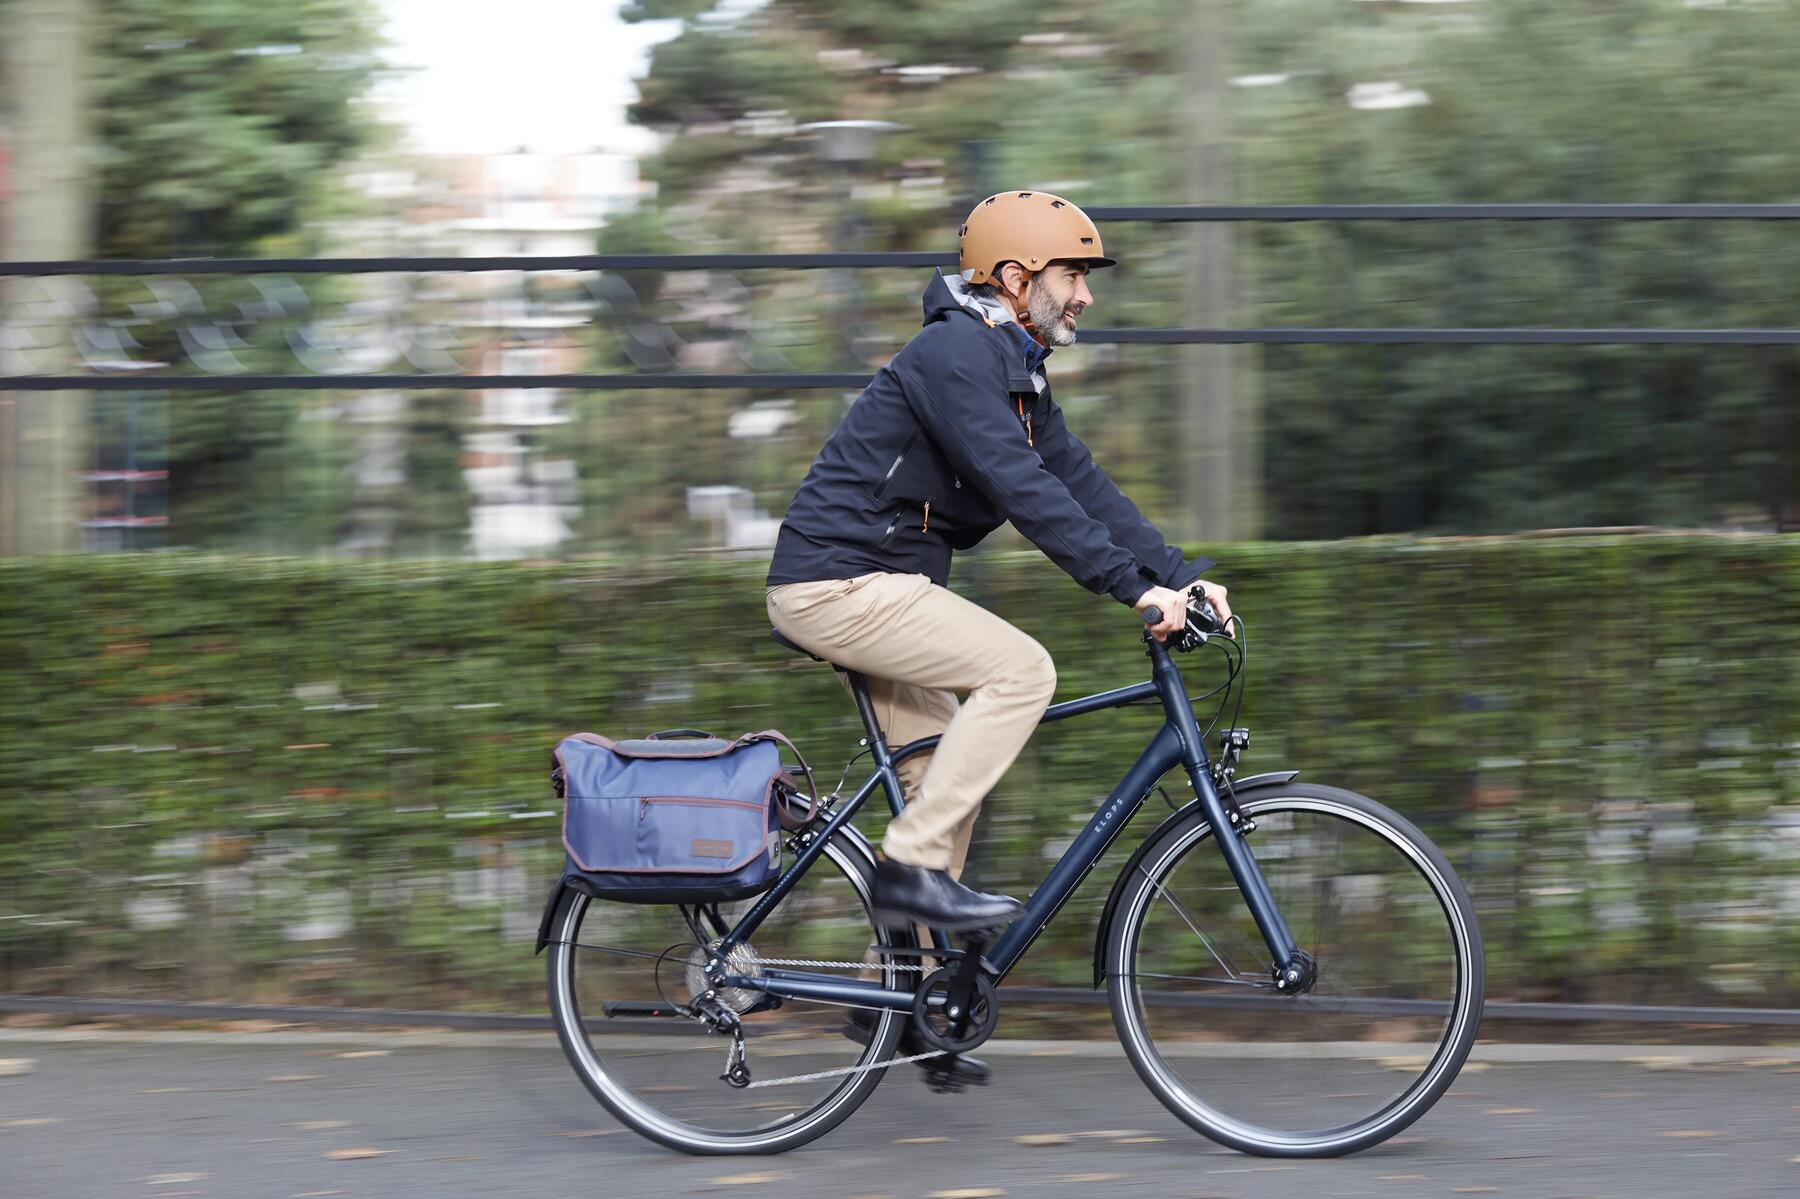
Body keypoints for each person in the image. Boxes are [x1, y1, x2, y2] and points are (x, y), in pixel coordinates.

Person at [764, 191, 1233, 1081]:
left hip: (882, 584)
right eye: (1072, 276)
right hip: (836, 582)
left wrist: (1177, 573)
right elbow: (1021, 487)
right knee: (1022, 671)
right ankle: (906, 869)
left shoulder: (1013, 366)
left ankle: (904, 1008)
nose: (1085, 295)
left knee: (941, 784)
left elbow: (1080, 482)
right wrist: (1132, 590)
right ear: (1017, 280)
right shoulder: (956, 354)